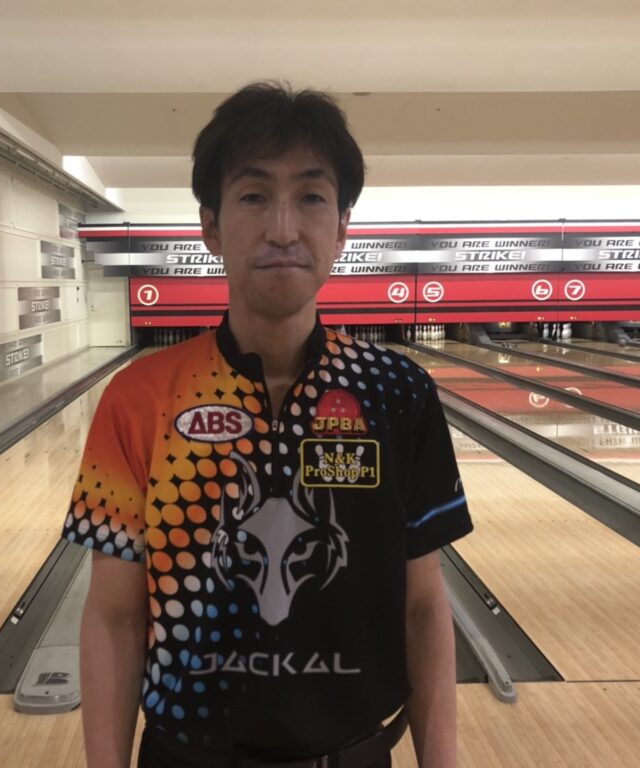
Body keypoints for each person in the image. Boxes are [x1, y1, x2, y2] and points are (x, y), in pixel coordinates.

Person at [63, 82, 473, 768]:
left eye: (311, 196)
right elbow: (114, 616)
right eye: (254, 196)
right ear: (211, 225)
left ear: (342, 226)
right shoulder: (139, 398)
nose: (283, 228)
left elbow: (423, 608)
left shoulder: (399, 394)